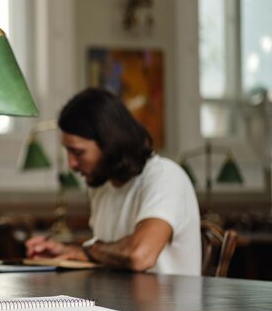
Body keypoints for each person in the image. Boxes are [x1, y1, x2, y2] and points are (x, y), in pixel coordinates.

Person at [25, 88, 201, 276]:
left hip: (169, 306)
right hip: (118, 303)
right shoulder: (102, 185)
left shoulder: (166, 177)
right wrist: (70, 250)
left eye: (78, 152)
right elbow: (111, 253)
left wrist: (87, 250)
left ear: (110, 144)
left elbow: (139, 256)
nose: (71, 165)